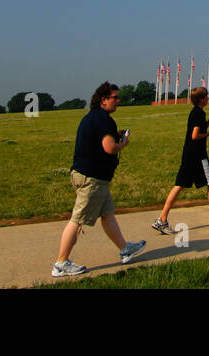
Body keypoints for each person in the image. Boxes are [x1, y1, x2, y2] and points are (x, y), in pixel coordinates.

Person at [52, 82, 146, 276]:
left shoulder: (94, 117)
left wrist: (114, 134)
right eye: (115, 98)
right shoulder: (104, 120)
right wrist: (123, 143)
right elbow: (110, 148)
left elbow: (101, 139)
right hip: (92, 179)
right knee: (77, 220)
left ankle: (125, 249)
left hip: (88, 176)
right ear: (103, 100)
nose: (118, 101)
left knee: (107, 214)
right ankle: (61, 263)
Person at [151, 87, 209, 234]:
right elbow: (195, 135)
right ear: (202, 99)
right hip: (198, 155)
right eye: (207, 97)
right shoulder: (198, 113)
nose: (208, 98)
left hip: (188, 154)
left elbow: (197, 129)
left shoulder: (197, 113)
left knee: (180, 185)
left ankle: (161, 220)